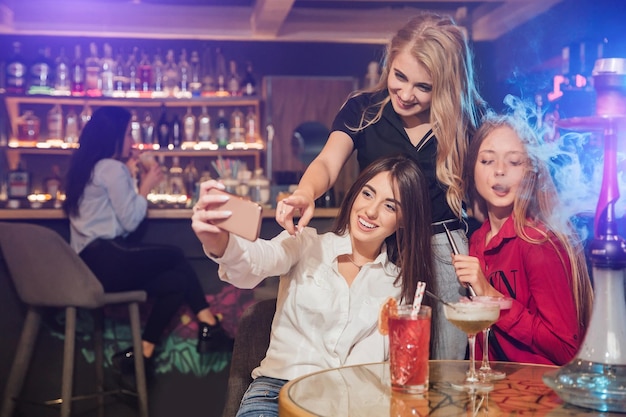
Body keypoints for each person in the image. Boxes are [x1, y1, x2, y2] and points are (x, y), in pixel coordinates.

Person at [276, 12, 487, 359]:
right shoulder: (364, 110)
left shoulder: (467, 121)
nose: (405, 94)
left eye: (423, 87)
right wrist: (304, 192)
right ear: (389, 62)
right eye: (399, 76)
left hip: (439, 249)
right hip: (374, 245)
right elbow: (328, 163)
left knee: (441, 367)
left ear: (446, 85)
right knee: (371, 364)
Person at [192, 155, 434, 417]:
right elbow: (257, 262)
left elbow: (385, 372)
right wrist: (219, 243)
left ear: (403, 220)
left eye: (390, 206)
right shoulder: (306, 243)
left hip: (349, 406)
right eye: (367, 194)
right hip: (276, 396)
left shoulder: (400, 286)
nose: (371, 211)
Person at [62, 106, 231, 374]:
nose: (132, 140)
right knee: (175, 255)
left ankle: (144, 351)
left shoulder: (89, 167)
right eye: (128, 133)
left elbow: (120, 224)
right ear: (115, 136)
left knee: (176, 283)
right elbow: (130, 222)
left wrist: (130, 178)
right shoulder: (111, 168)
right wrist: (146, 185)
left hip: (89, 264)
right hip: (105, 258)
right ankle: (209, 324)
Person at [452, 108, 594, 366]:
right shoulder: (476, 242)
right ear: (472, 168)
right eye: (487, 161)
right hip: (496, 395)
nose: (499, 171)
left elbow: (567, 349)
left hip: (539, 396)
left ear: (531, 171)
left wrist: (492, 298)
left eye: (514, 162)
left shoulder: (538, 243)